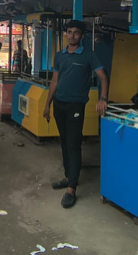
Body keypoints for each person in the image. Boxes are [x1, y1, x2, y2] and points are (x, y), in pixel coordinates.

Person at [43, 20, 109, 209]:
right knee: (64, 142)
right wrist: (47, 104)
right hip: (59, 104)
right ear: (66, 34)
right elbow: (54, 81)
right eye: (69, 32)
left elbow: (103, 77)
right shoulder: (59, 56)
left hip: (76, 106)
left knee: (73, 144)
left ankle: (71, 189)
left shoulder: (89, 56)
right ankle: (68, 177)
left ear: (82, 36)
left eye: (76, 33)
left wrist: (103, 98)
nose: (72, 35)